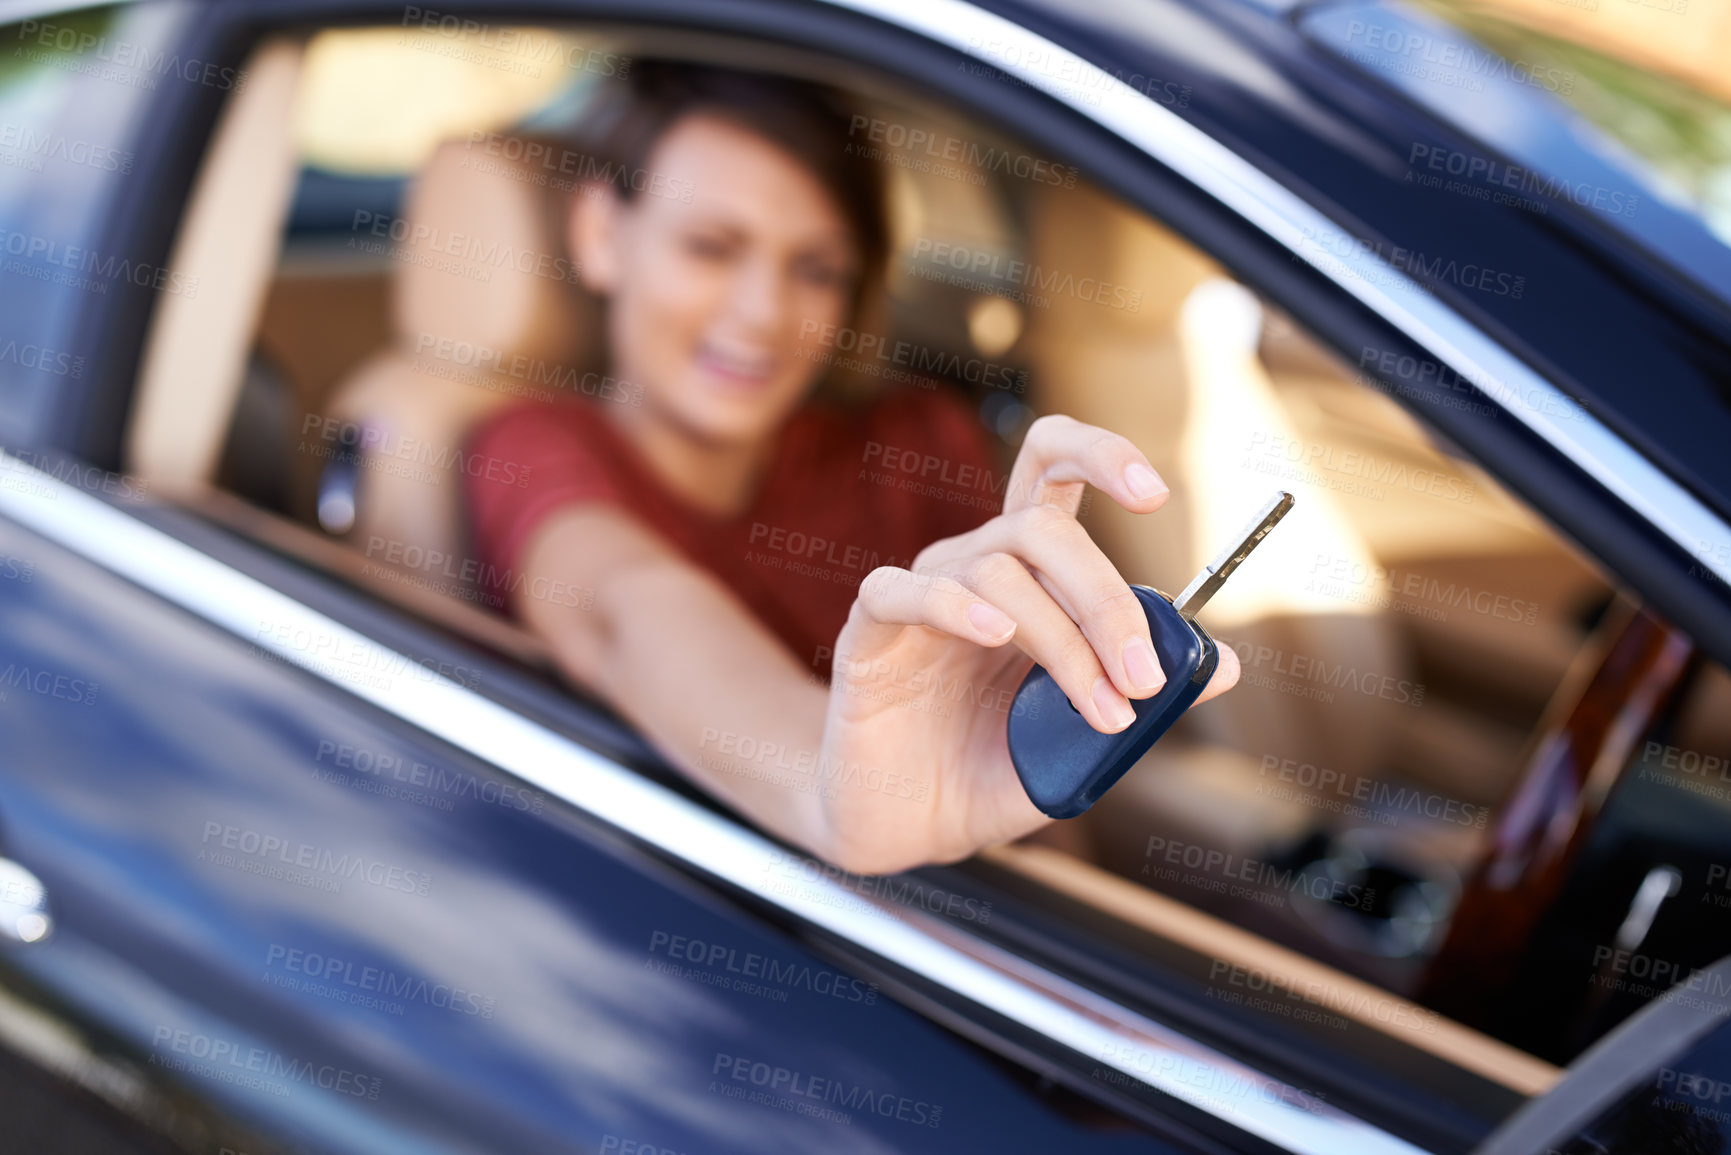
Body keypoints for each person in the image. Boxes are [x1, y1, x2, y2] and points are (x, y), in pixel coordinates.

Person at [464, 63, 1240, 876]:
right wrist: (832, 787)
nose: (762, 312)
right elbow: (623, 616)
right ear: (598, 233)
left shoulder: (914, 441)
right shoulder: (531, 448)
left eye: (815, 270)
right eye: (709, 247)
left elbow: (1035, 814)